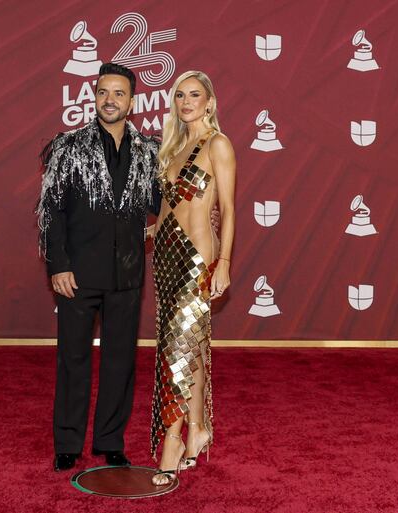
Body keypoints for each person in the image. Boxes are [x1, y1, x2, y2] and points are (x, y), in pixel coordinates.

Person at [36, 63, 161, 472]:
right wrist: (58, 265)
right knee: (73, 358)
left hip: (126, 275)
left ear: (132, 101)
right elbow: (51, 211)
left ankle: (110, 441)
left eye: (119, 93)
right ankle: (68, 443)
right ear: (94, 97)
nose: (110, 100)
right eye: (103, 92)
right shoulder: (68, 146)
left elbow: (163, 205)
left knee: (120, 360)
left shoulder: (149, 150)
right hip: (77, 274)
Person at [148, 70, 236, 485]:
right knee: (190, 344)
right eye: (179, 95)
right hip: (166, 257)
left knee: (177, 351)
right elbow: (169, 208)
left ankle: (173, 439)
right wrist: (150, 231)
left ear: (209, 101)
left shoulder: (218, 144)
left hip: (198, 258)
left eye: (194, 95)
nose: (186, 102)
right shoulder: (175, 146)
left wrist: (225, 264)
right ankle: (198, 429)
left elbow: (230, 210)